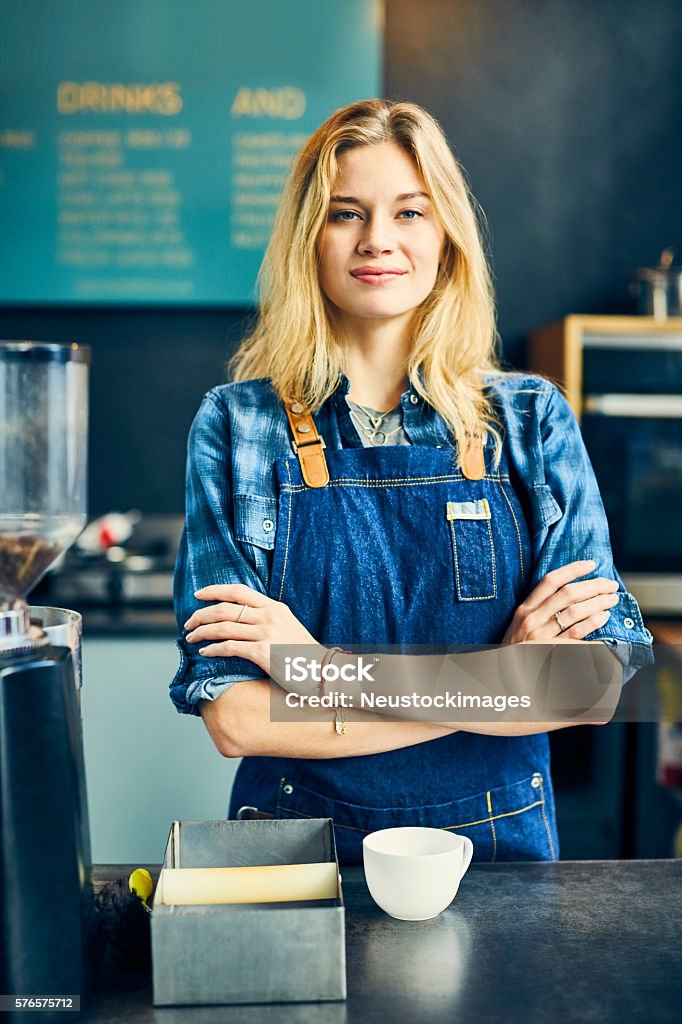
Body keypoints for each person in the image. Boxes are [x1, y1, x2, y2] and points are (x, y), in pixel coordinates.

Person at [171, 99, 653, 863]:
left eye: (409, 213)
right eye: (346, 214)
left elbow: (590, 687)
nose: (378, 241)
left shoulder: (529, 422)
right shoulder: (238, 427)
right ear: (310, 240)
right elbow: (236, 718)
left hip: (501, 867)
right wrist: (500, 684)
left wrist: (318, 674)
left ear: (447, 239)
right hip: (299, 865)